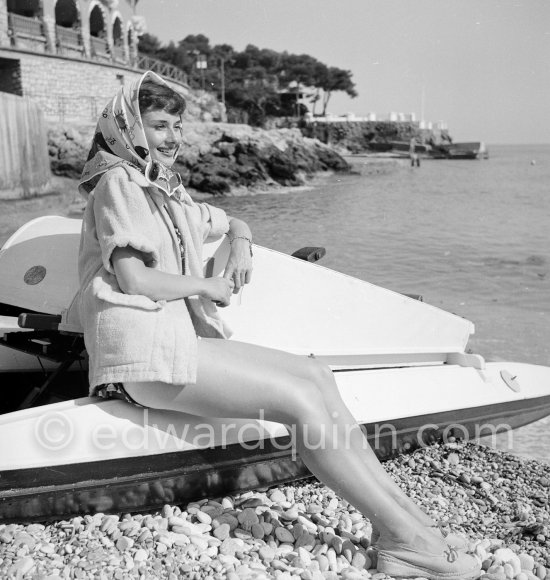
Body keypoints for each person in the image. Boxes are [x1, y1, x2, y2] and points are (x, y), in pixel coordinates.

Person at [76, 71, 480, 580]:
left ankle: (410, 526)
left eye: (178, 125)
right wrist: (208, 288)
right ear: (128, 127)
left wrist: (241, 239)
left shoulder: (162, 188)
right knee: (298, 403)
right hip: (142, 357)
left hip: (174, 341)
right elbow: (134, 279)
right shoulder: (120, 183)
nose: (173, 137)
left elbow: (224, 220)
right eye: (159, 126)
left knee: (316, 376)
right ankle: (405, 540)